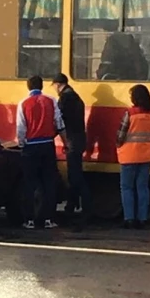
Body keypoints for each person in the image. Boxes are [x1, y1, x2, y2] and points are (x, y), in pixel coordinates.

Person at [16, 75, 67, 231]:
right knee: (49, 184)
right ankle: (48, 219)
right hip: (47, 145)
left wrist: (21, 143)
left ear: (28, 87)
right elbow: (59, 123)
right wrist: (65, 144)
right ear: (42, 86)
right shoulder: (51, 101)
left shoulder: (23, 103)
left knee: (30, 184)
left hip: (31, 147)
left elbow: (21, 128)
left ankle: (29, 219)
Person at [116, 84, 150, 229]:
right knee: (142, 187)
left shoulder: (130, 113)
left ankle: (129, 218)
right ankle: (143, 218)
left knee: (127, 187)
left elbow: (120, 135)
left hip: (129, 155)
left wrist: (119, 145)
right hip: (146, 156)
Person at [52, 72, 91, 220]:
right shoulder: (76, 97)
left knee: (75, 175)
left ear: (58, 84)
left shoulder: (65, 98)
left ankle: (86, 205)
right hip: (79, 139)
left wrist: (52, 135)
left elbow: (60, 121)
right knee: (75, 173)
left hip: (72, 140)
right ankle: (72, 204)